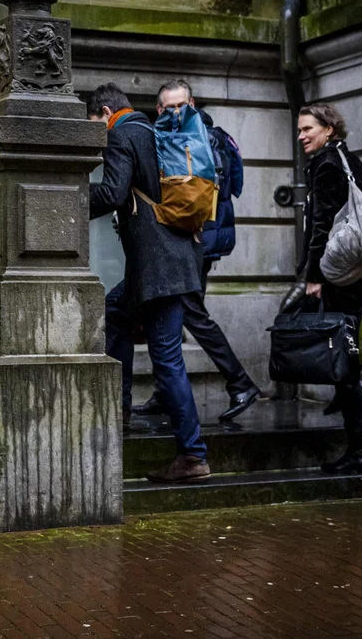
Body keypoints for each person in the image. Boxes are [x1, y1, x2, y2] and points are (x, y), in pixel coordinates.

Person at [88, 82, 210, 483]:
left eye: (94, 124)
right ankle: (120, 409)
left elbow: (111, 192)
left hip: (159, 269)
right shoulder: (154, 132)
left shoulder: (122, 134)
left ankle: (192, 455)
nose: (96, 133)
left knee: (168, 360)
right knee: (116, 312)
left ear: (105, 113)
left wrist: (63, 194)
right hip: (172, 261)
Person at [127, 80, 261, 423]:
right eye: (168, 107)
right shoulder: (206, 134)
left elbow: (203, 192)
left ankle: (240, 383)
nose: (175, 112)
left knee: (189, 310)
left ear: (193, 103)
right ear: (158, 109)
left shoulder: (203, 135)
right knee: (174, 312)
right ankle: (164, 392)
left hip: (197, 238)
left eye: (180, 106)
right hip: (197, 237)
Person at [297, 103, 362, 475]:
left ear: (329, 130)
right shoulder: (353, 162)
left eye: (308, 129)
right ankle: (347, 391)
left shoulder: (326, 166)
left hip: (342, 278)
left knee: (346, 360)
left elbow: (322, 227)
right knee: (343, 351)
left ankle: (360, 450)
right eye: (300, 130)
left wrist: (314, 276)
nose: (302, 136)